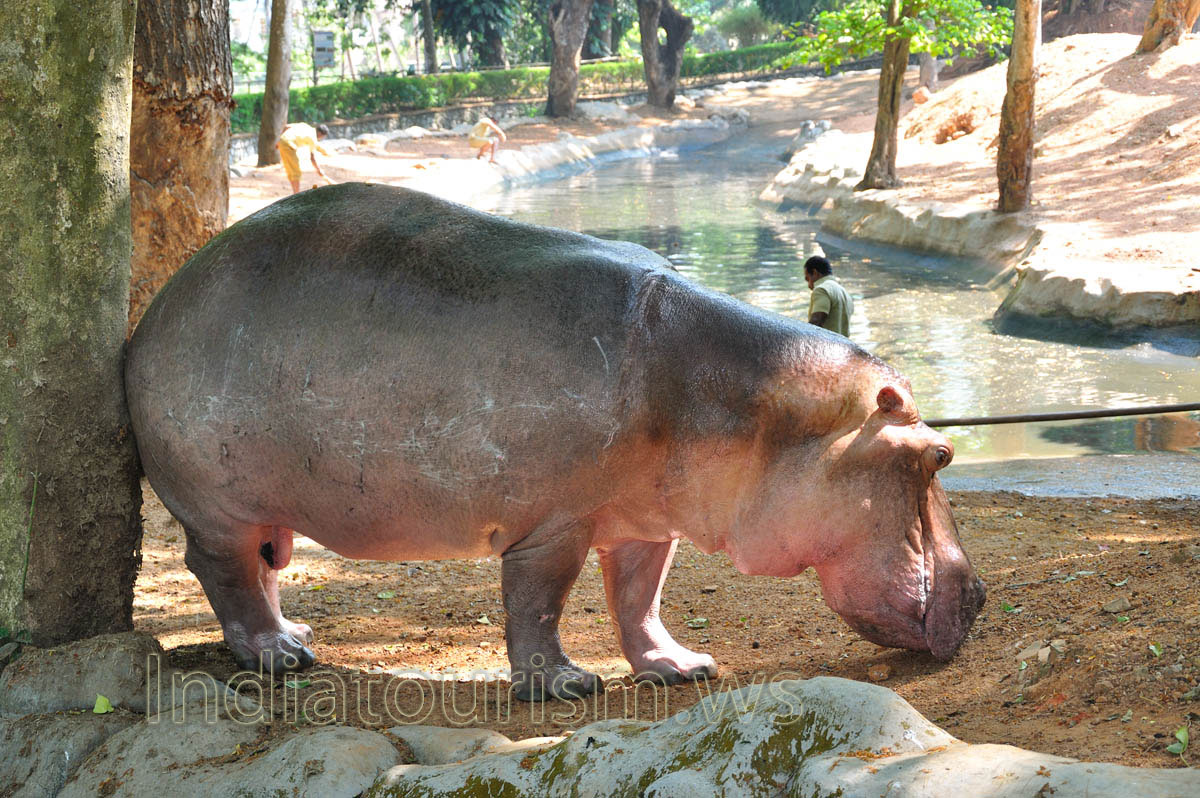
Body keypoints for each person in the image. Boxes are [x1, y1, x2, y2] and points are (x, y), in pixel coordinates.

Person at [804, 255, 853, 337]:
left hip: (826, 347)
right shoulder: (844, 292)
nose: (809, 286)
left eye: (807, 279)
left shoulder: (821, 290)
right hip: (843, 347)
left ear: (815, 273)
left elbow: (815, 323)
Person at [277, 122, 333, 194]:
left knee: (291, 170)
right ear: (320, 134)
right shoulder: (313, 138)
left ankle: (295, 192)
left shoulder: (305, 126)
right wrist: (319, 171)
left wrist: (279, 140)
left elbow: (287, 126)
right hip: (289, 145)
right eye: (322, 137)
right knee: (296, 172)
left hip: (282, 141)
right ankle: (296, 194)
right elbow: (312, 158)